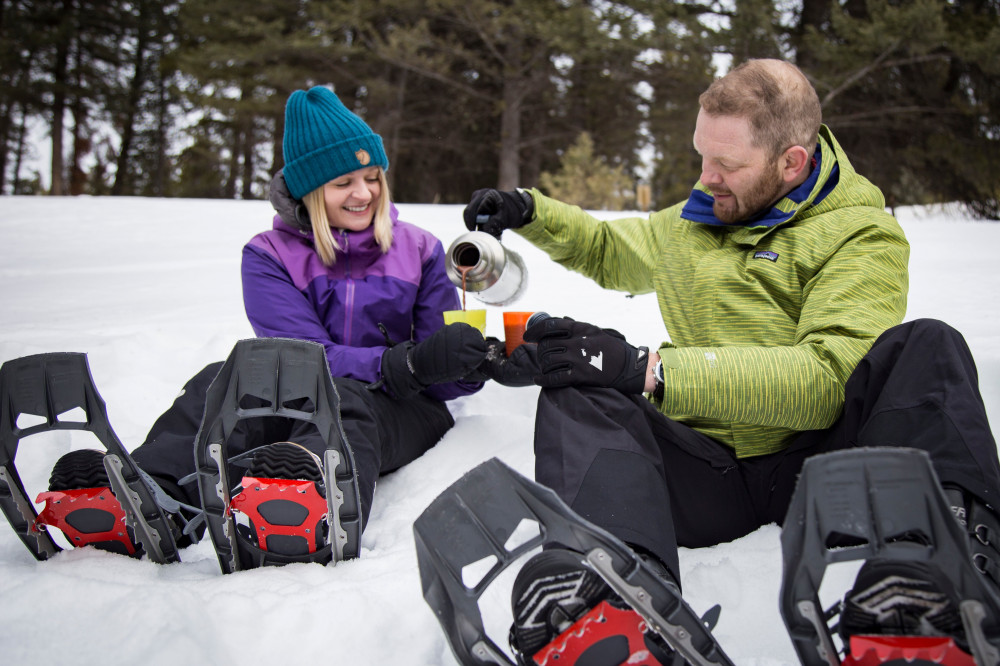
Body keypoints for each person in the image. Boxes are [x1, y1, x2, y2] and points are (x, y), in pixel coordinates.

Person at [463, 58, 1000, 662]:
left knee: (929, 345)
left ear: (791, 162)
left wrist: (650, 368)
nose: (706, 176)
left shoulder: (858, 234)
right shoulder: (701, 216)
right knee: (579, 379)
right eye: (701, 156)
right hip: (708, 472)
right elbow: (611, 250)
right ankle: (615, 604)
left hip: (822, 470)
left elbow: (828, 378)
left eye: (727, 164)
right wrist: (530, 210)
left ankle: (935, 587)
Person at [42, 86, 489, 563]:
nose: (364, 194)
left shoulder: (419, 249)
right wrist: (403, 361)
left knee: (347, 401)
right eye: (344, 183)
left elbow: (443, 384)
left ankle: (313, 507)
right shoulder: (268, 254)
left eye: (372, 177)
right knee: (221, 380)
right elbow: (302, 352)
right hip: (309, 389)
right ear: (310, 190)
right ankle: (151, 498)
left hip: (402, 408)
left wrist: (459, 360)